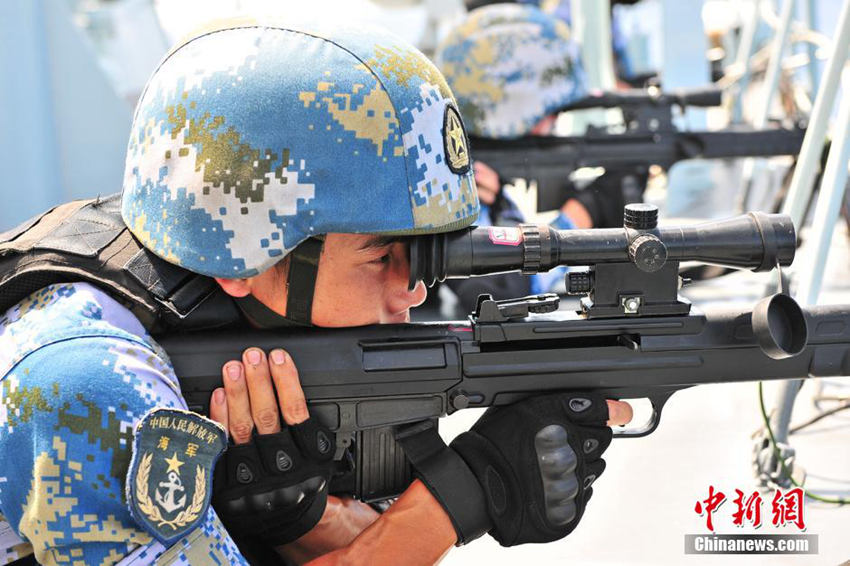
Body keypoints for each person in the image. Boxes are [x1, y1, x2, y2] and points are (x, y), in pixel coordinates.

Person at [0, 17, 631, 566]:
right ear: (243, 250)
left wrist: (296, 523)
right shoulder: (88, 381)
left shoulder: (202, 292)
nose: (409, 295)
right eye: (381, 255)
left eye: (420, 260)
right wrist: (463, 495)